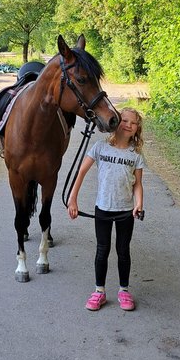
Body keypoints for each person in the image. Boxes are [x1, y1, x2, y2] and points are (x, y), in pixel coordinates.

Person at [67, 107, 146, 311]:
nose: (128, 125)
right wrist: (73, 198)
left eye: (133, 123)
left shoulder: (135, 155)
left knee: (123, 251)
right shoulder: (100, 147)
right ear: (116, 122)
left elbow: (137, 183)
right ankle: (99, 292)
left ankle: (124, 291)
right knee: (102, 250)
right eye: (125, 120)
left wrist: (139, 203)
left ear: (137, 129)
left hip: (125, 211)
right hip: (103, 208)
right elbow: (81, 172)